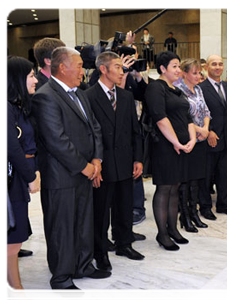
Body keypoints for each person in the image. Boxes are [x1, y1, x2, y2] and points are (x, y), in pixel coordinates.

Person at [32, 47, 109, 299]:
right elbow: (56, 140)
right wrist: (85, 166)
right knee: (62, 228)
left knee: (83, 222)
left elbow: (94, 127)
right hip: (61, 176)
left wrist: (96, 159)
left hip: (85, 172)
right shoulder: (45, 96)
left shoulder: (80, 94)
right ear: (62, 67)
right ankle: (62, 277)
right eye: (78, 65)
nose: (82, 70)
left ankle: (83, 265)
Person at [85, 51, 145, 273]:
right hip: (102, 164)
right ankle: (99, 252)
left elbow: (134, 131)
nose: (123, 71)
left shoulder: (126, 96)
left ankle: (124, 244)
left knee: (124, 205)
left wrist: (138, 158)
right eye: (118, 67)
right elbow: (88, 134)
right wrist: (93, 164)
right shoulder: (88, 97)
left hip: (125, 161)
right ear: (104, 69)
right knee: (100, 212)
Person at [144, 51, 197, 251]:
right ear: (163, 69)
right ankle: (162, 233)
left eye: (178, 66)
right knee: (165, 188)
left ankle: (173, 229)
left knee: (175, 187)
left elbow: (188, 117)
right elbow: (160, 118)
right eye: (174, 66)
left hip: (182, 146)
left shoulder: (176, 90)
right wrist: (176, 142)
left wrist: (191, 139)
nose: (178, 70)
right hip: (165, 146)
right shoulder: (156, 88)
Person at [5, 55, 41, 300]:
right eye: (31, 75)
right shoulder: (5, 108)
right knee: (11, 243)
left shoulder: (16, 106)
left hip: (17, 178)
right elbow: (11, 147)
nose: (36, 80)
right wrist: (31, 176)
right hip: (12, 182)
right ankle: (16, 294)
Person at [198, 54, 227, 220]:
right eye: (213, 64)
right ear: (206, 67)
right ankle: (205, 207)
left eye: (220, 64)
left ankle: (223, 205)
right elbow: (199, 113)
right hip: (210, 138)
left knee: (224, 174)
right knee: (207, 175)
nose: (217, 67)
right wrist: (209, 131)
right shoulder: (200, 88)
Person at [174, 58, 211, 232]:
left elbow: (205, 111)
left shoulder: (198, 90)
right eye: (195, 73)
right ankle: (185, 216)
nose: (198, 76)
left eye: (199, 72)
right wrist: (198, 130)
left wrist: (205, 129)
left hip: (201, 139)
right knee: (185, 180)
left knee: (196, 179)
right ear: (185, 73)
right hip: (187, 139)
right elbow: (181, 118)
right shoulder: (178, 91)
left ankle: (194, 212)